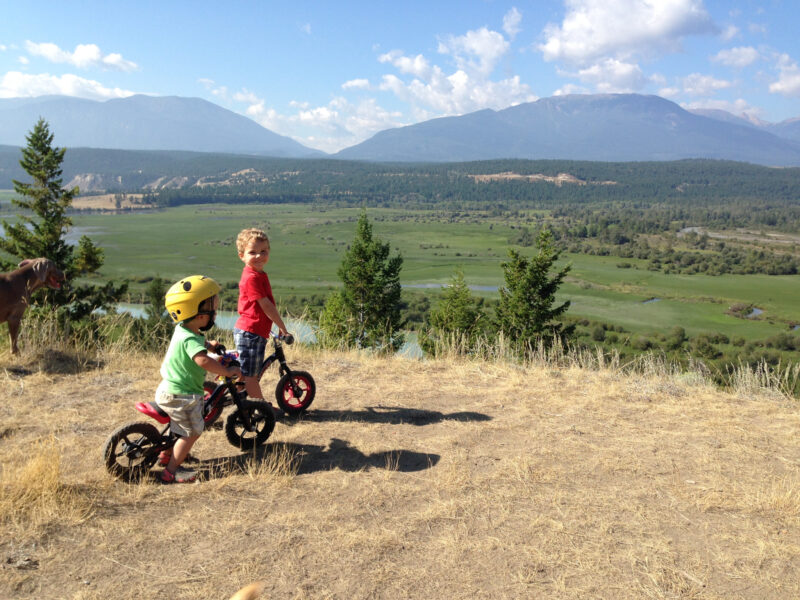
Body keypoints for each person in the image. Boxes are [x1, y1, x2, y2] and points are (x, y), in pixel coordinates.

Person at [157, 275, 242, 483]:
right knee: (193, 431)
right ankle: (171, 470)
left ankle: (167, 453)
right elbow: (202, 360)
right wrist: (226, 369)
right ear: (199, 313)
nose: (215, 311)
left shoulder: (185, 329)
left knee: (181, 426)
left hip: (169, 389)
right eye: (212, 307)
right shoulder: (191, 339)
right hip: (181, 395)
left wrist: (210, 344)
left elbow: (198, 342)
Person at [233, 228, 289, 406]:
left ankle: (242, 403)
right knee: (251, 377)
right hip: (251, 332)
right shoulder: (252, 278)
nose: (259, 256)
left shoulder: (257, 274)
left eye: (263, 251)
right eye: (252, 252)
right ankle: (262, 407)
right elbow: (266, 306)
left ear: (269, 252)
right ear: (242, 255)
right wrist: (282, 327)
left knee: (245, 373)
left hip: (252, 330)